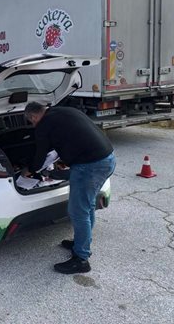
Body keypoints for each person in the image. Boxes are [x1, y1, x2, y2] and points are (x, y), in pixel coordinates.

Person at [23, 101, 116, 274]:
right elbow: (74, 136)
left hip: (90, 166)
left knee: (78, 211)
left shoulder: (44, 125)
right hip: (108, 158)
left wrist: (29, 170)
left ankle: (81, 259)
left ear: (34, 116)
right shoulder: (64, 110)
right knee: (87, 207)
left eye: (32, 122)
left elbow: (40, 157)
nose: (33, 125)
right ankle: (81, 242)